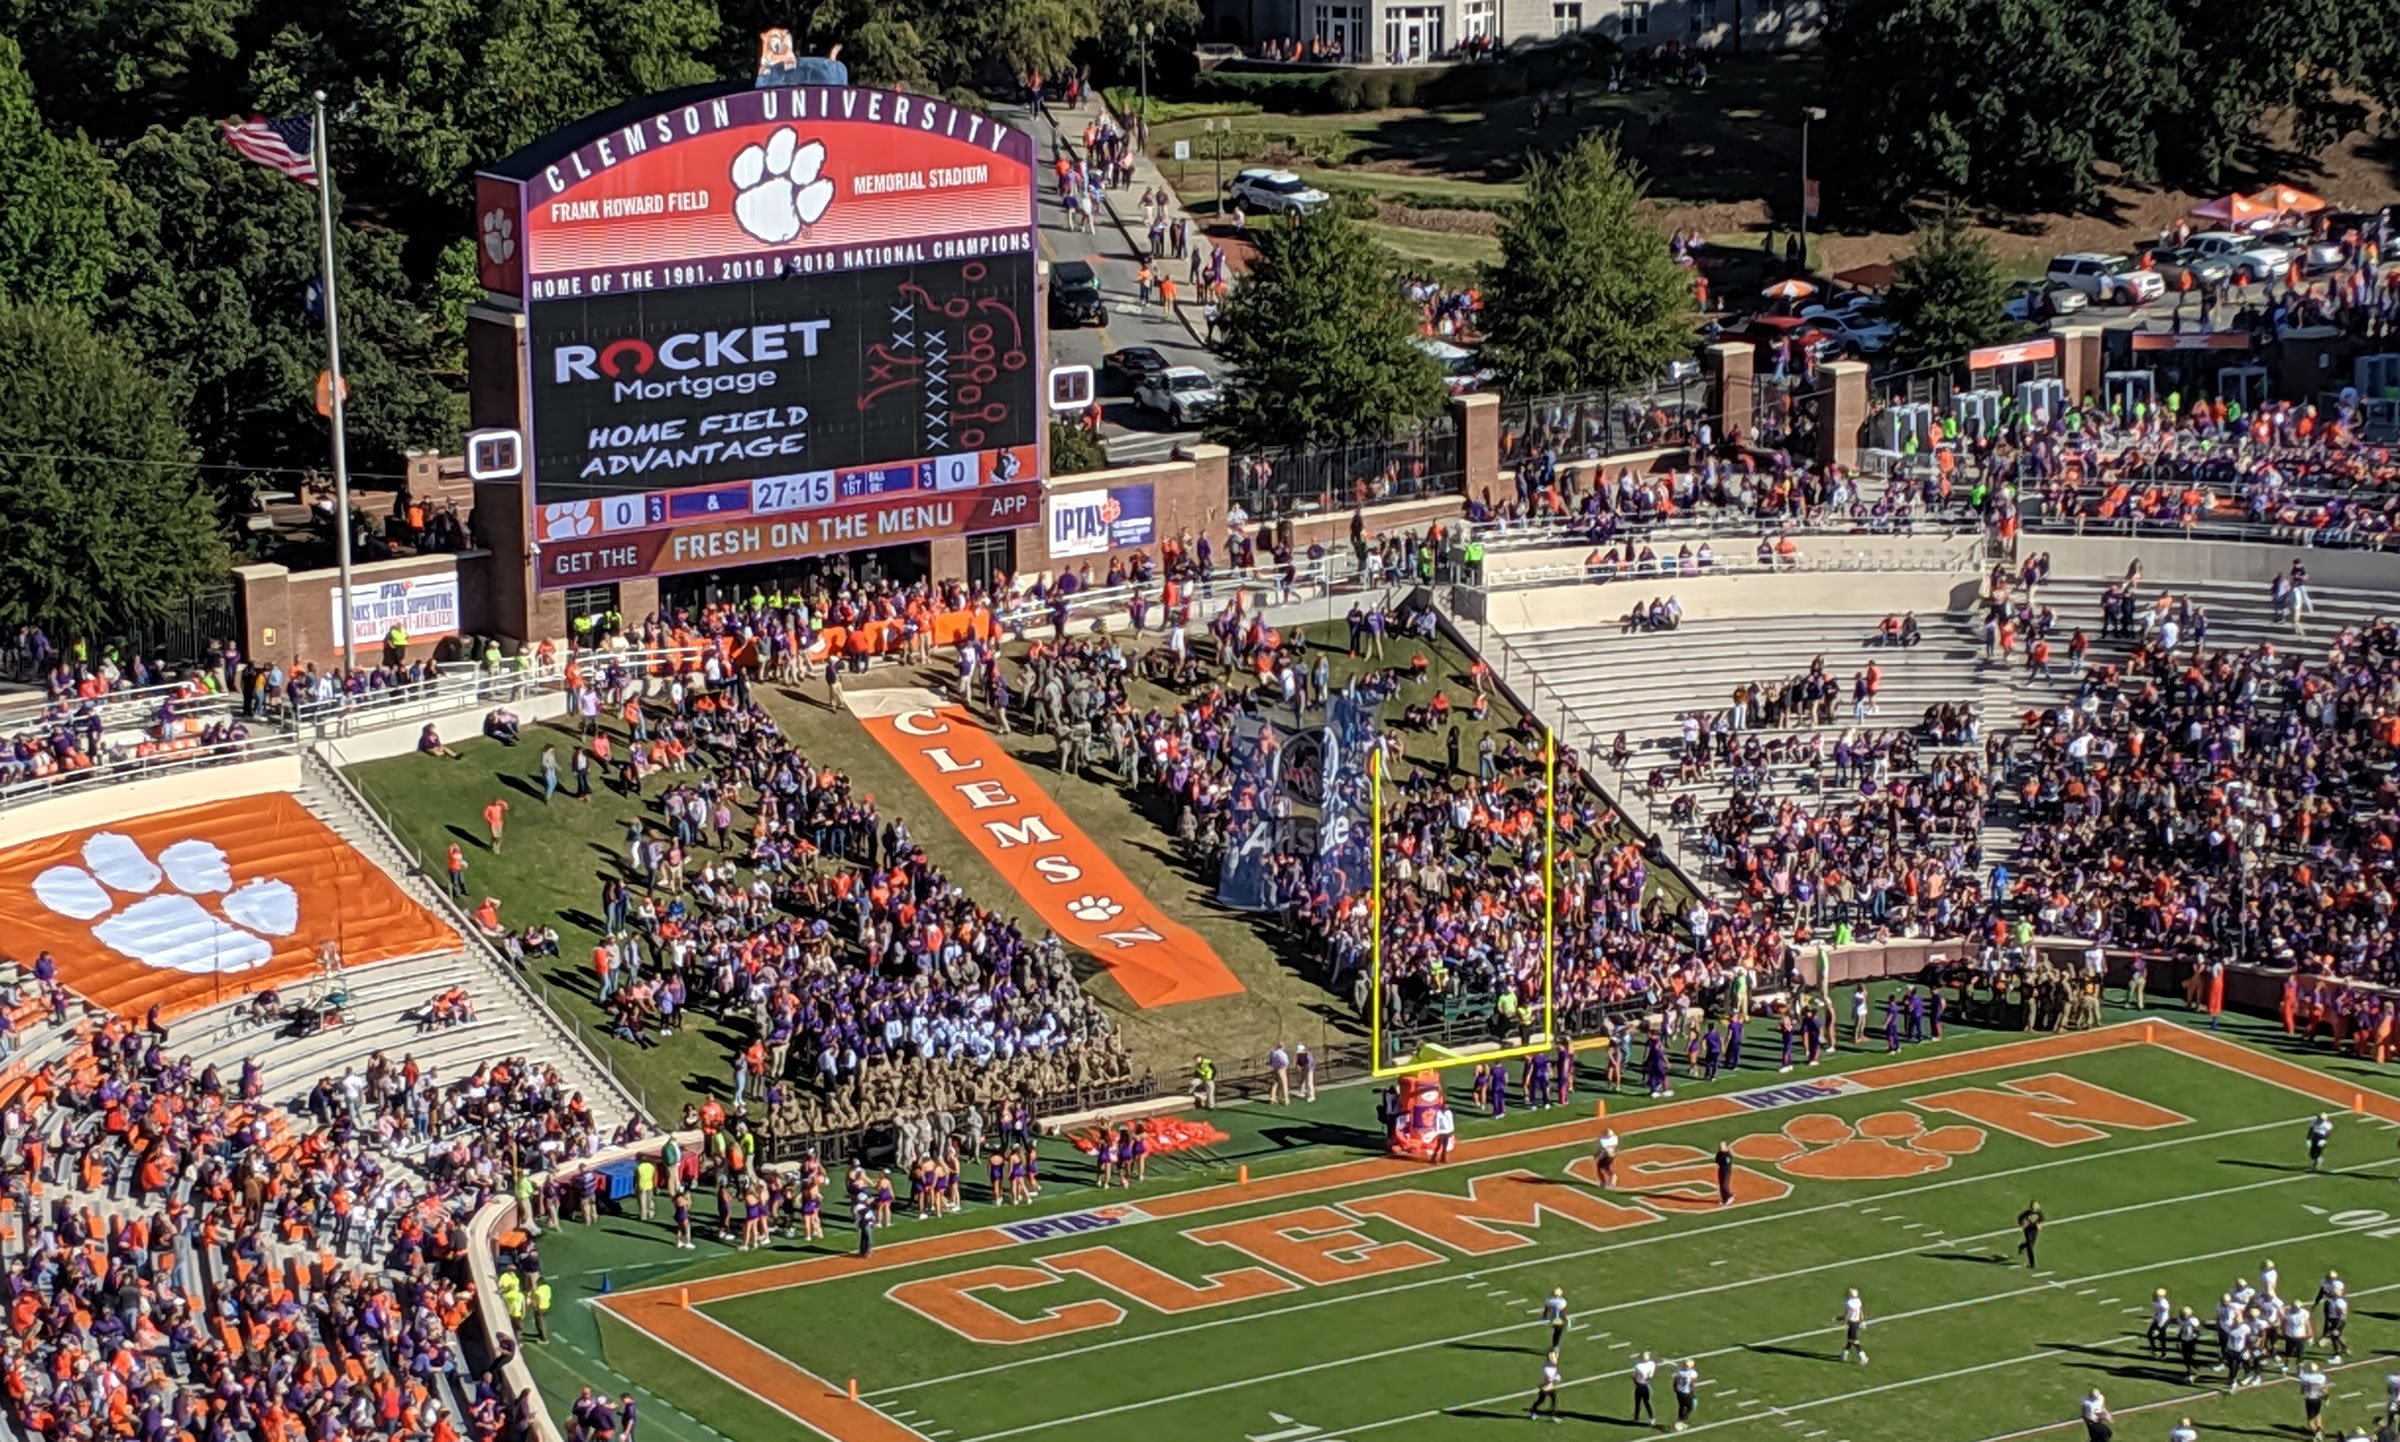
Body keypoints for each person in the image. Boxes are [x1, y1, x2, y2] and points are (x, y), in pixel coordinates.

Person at [1525, 1349, 1562, 1423]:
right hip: (1545, 1388)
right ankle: (1533, 1411)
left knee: (1554, 1401)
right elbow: (1549, 1378)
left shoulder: (1553, 1366)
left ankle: (1552, 1415)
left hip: (1551, 1387)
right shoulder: (1547, 1368)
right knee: (1540, 1401)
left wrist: (1557, 1376)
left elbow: (1556, 1373)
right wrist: (1556, 1377)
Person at [1838, 1288, 1868, 1364]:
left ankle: (1862, 1356)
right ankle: (1845, 1353)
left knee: (1853, 1340)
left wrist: (1839, 1318)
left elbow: (1846, 1315)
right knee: (1851, 1339)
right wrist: (1862, 1321)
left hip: (1852, 1323)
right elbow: (1861, 1312)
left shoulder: (1849, 1303)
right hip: (1857, 1322)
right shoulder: (1858, 1301)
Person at [1671, 1358, 1699, 1431]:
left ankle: (1679, 1420)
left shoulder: (1679, 1371)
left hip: (1678, 1391)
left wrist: (1674, 1388)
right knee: (1690, 1407)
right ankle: (1680, 1421)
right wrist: (1693, 1395)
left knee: (1682, 1406)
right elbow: (1691, 1385)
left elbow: (1675, 1381)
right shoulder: (1692, 1373)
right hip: (1686, 1392)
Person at [1630, 1352, 1657, 1426]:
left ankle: (1636, 1418)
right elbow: (1651, 1375)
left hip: (1640, 1385)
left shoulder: (1638, 1366)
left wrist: (1634, 1380)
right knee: (1647, 1402)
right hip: (1646, 1385)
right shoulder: (1652, 1364)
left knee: (1638, 1402)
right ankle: (1651, 1418)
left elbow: (1635, 1376)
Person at [2017, 1200, 2045, 1268]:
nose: (2034, 1208)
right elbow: (2020, 1218)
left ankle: (2022, 1246)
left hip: (2035, 1230)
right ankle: (2032, 1264)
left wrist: (2039, 1225)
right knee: (2030, 1247)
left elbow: (2041, 1220)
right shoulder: (2027, 1213)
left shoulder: (2039, 1213)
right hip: (2028, 1230)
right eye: (2033, 1207)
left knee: (2031, 1245)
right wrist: (2022, 1225)